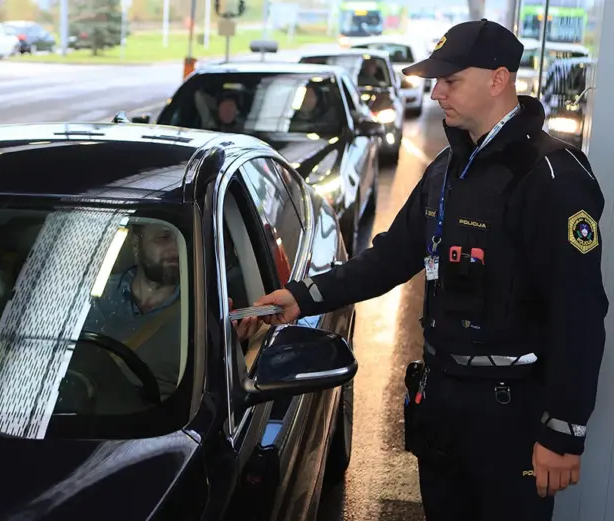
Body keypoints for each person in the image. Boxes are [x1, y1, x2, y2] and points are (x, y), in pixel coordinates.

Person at [254, 19, 608, 520]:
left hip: (510, 420)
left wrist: (563, 433)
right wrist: (303, 296)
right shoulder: (445, 169)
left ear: (498, 78)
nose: (436, 91)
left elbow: (580, 314)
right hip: (441, 407)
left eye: (450, 79)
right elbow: (390, 258)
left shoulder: (553, 178)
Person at [84, 222, 260, 399]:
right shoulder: (92, 296)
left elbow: (211, 392)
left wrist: (226, 349)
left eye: (181, 239)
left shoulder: (203, 309)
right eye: (164, 237)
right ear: (136, 243)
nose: (176, 249)